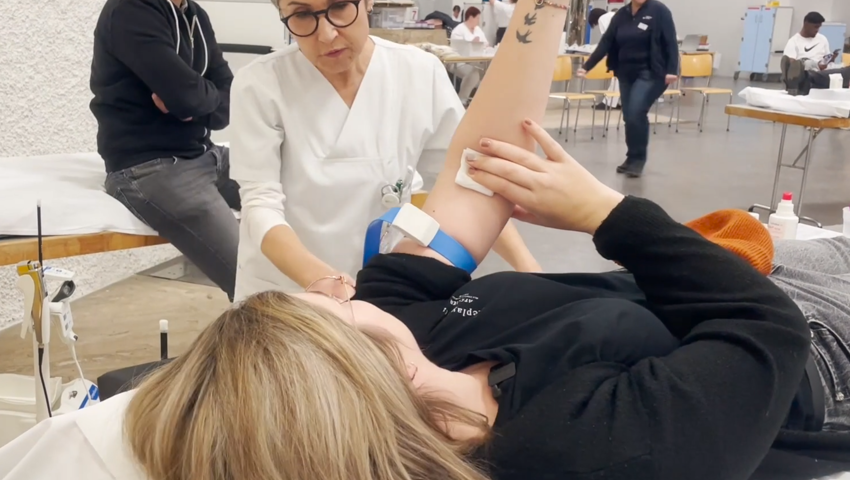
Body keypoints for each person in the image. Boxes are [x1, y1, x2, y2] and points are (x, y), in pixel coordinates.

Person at [0, 3, 815, 479]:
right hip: (804, 330)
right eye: (317, 317)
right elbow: (769, 330)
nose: (334, 293)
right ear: (346, 375)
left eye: (337, 8)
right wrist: (609, 215)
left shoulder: (396, 313)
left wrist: (540, 10)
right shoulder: (572, 442)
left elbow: (473, 181)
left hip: (691, 280)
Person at [230, 0, 539, 301]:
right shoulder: (261, 83)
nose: (326, 34)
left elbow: (468, 183)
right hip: (285, 293)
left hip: (378, 286)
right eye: (301, 14)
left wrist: (529, 269)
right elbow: (260, 204)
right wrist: (325, 282)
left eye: (339, 6)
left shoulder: (418, 73)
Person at [90, 0, 238, 300]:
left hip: (207, 155)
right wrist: (192, 99)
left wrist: (194, 103)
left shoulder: (194, 14)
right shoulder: (131, 10)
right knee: (254, 277)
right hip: (149, 169)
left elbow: (234, 98)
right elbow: (186, 96)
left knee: (298, 189)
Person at [579, 0, 679, 178]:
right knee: (629, 115)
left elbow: (670, 41)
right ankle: (631, 157)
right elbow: (606, 42)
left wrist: (672, 69)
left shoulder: (659, 10)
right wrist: (587, 66)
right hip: (626, 73)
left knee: (636, 111)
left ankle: (638, 159)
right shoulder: (622, 14)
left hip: (651, 72)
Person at [780, 12, 849, 95]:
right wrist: (815, 65)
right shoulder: (794, 41)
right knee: (807, 64)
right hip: (808, 71)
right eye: (815, 27)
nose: (817, 30)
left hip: (823, 73)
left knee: (844, 70)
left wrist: (831, 59)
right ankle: (797, 81)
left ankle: (802, 80)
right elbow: (792, 64)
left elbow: (826, 61)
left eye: (819, 27)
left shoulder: (822, 39)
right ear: (806, 24)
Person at [450, 7, 488, 105]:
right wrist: (471, 43)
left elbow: (486, 43)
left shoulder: (478, 30)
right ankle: (461, 100)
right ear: (471, 17)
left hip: (476, 61)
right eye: (477, 18)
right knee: (474, 74)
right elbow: (457, 47)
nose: (478, 21)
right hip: (459, 61)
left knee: (488, 71)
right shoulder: (458, 30)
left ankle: (482, 99)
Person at [587, 7, 620, 110]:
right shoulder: (614, 15)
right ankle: (613, 102)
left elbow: (607, 39)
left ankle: (609, 103)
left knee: (616, 79)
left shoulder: (603, 18)